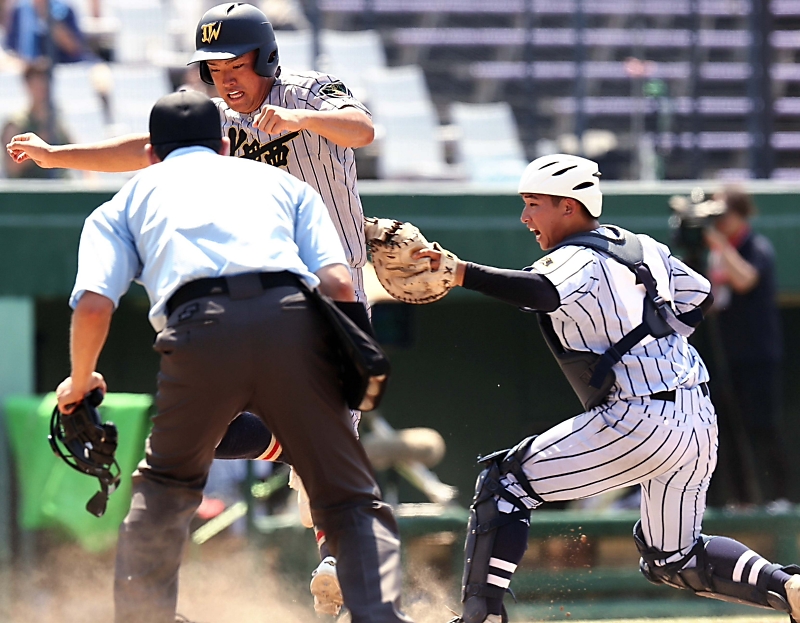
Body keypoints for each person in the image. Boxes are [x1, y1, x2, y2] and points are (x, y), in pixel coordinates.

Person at [7, 3, 374, 614]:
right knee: (242, 430)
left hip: (327, 282)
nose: (225, 77)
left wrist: (303, 117)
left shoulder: (311, 90)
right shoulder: (221, 122)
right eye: (213, 68)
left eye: (236, 64)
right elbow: (145, 148)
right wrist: (56, 154)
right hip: (269, 282)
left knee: (329, 432)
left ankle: (339, 555)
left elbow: (361, 129)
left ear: (266, 57)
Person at [55, 88, 412, 623]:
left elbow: (92, 307)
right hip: (296, 323)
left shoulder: (126, 199)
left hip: (198, 331)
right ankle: (378, 614)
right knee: (346, 492)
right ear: (225, 144)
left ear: (151, 152)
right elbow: (338, 281)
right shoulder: (279, 182)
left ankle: (144, 616)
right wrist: (354, 365)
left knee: (167, 487)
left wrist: (80, 382)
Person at [414, 154, 800, 623]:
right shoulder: (642, 245)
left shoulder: (574, 255)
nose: (525, 217)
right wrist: (654, 334)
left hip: (639, 417)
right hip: (696, 417)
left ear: (569, 207)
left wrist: (461, 272)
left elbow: (542, 292)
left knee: (504, 483)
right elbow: (697, 296)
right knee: (675, 559)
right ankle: (788, 586)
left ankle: (481, 618)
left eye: (535, 204)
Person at [704, 186, 789, 506]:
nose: (719, 221)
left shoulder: (756, 247)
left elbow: (745, 280)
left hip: (757, 355)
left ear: (739, 213)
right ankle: (741, 501)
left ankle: (779, 497)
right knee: (726, 431)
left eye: (723, 213)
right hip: (725, 356)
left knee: (762, 426)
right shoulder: (713, 251)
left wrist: (721, 245)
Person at [1, 57, 71, 178]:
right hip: (29, 191)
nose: (43, 87)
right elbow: (12, 168)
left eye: (45, 81)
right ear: (28, 85)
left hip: (60, 189)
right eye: (37, 82)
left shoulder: (55, 119)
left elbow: (73, 147)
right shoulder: (16, 123)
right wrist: (37, 151)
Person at [4, 0, 88, 64]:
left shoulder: (65, 10)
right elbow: (10, 50)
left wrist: (46, 15)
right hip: (30, 74)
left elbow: (74, 49)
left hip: (63, 70)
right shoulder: (20, 11)